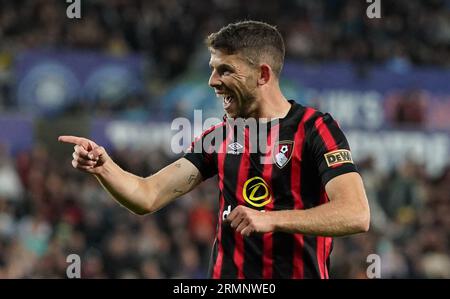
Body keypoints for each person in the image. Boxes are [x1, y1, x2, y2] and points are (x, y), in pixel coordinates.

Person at [59, 20, 370, 279]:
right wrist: (103, 167)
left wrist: (273, 219)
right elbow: (147, 195)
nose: (212, 81)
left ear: (262, 74)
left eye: (225, 70)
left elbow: (356, 214)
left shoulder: (315, 128)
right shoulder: (219, 136)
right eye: (212, 69)